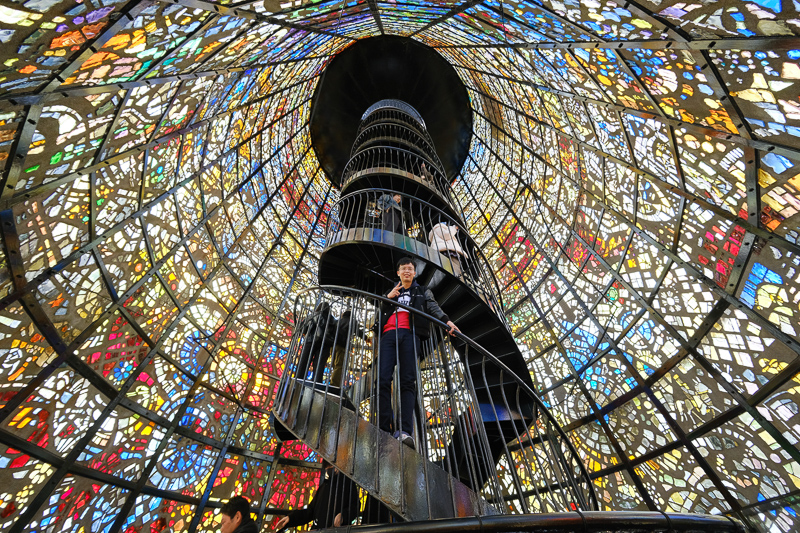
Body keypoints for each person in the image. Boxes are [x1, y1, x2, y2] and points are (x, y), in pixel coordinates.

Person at [376, 257, 460, 449]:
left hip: (410, 334)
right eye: (403, 268)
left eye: (410, 269)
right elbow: (379, 316)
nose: (407, 271)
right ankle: (383, 428)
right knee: (382, 380)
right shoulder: (391, 292)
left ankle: (405, 431)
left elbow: (433, 307)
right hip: (389, 335)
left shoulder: (422, 291)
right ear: (398, 272)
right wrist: (387, 299)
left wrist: (447, 321)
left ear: (414, 273)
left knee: (408, 381)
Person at [274, 461, 361, 530]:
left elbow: (355, 506)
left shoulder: (348, 484)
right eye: (327, 468)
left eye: (332, 467)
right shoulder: (324, 486)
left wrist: (343, 516)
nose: (329, 470)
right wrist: (291, 518)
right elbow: (311, 511)